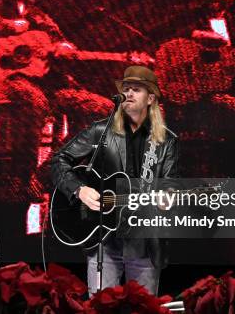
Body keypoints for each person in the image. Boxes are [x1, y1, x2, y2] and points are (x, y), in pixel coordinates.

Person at [51, 65, 180, 295]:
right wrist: (79, 189)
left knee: (143, 310)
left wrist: (166, 198)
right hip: (104, 240)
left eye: (136, 89)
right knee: (100, 307)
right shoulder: (101, 130)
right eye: (126, 88)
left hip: (144, 245)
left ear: (151, 98)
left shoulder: (166, 141)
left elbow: (170, 184)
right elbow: (59, 160)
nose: (128, 93)